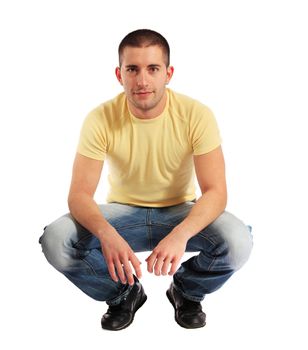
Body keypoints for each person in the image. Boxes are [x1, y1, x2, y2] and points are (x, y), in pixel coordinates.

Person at [39, 29, 253, 331]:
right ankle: (124, 294)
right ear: (119, 74)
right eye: (132, 69)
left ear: (168, 73)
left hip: (180, 212)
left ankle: (187, 290)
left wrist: (181, 234)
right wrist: (105, 233)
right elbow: (79, 195)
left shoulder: (196, 115)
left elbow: (216, 192)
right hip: (122, 216)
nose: (142, 81)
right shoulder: (100, 119)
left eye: (153, 69)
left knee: (238, 240)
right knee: (56, 239)